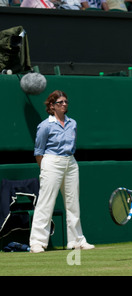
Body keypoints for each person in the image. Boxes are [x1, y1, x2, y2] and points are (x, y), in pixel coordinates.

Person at [30, 90, 94, 253]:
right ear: (52, 106)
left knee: (73, 203)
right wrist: (45, 167)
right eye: (60, 102)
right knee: (46, 202)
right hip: (51, 161)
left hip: (71, 162)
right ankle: (37, 242)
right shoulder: (45, 126)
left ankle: (76, 241)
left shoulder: (73, 123)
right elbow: (39, 151)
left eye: (66, 101)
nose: (64, 104)